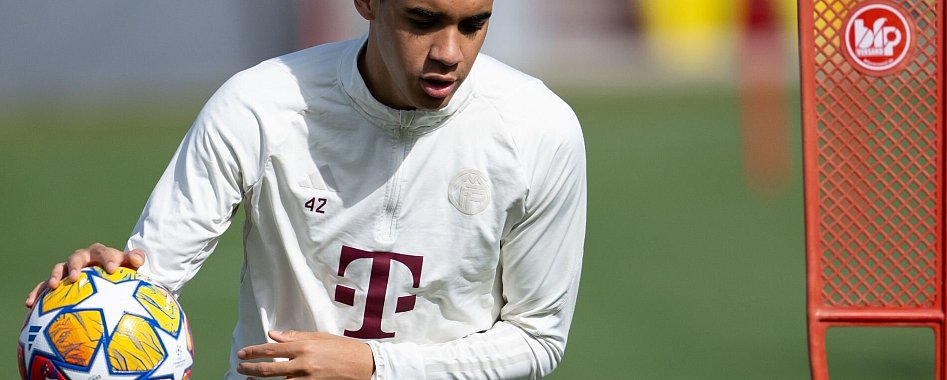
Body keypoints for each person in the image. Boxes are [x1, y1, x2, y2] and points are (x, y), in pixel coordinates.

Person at [24, 0, 587, 379]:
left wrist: (370, 366)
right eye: (422, 19)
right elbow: (153, 279)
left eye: (474, 24)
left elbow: (538, 340)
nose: (449, 52)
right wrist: (107, 284)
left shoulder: (539, 129)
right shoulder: (258, 105)